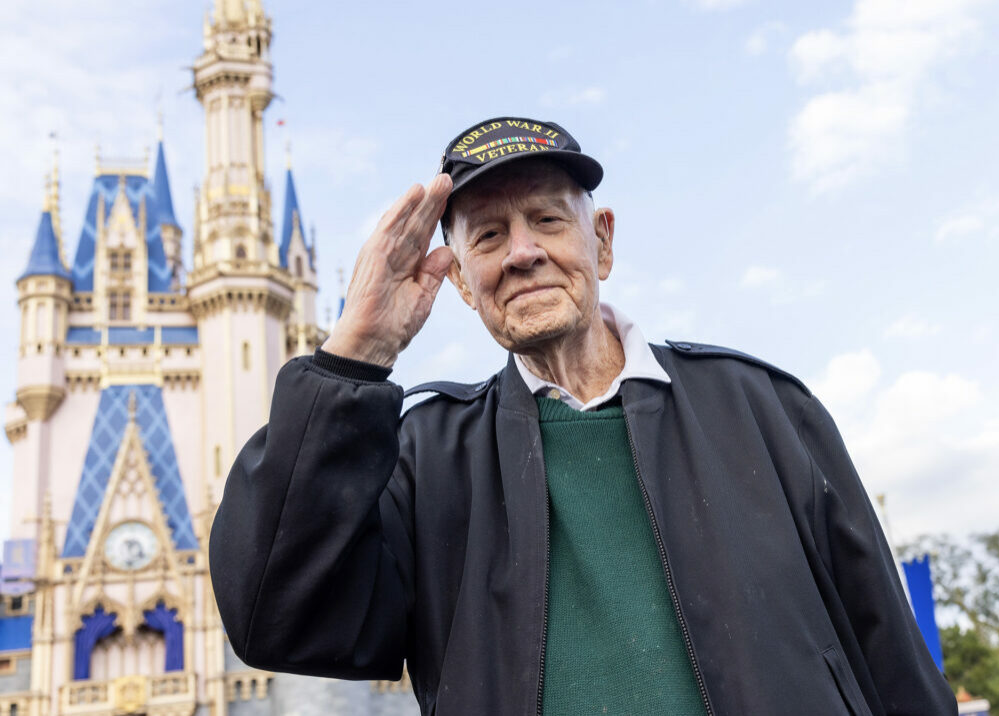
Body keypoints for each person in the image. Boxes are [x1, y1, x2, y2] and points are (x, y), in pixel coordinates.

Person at [210, 117, 956, 715]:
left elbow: (889, 651)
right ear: (464, 285)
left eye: (546, 219)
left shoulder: (761, 407)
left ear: (600, 241)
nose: (523, 252)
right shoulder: (425, 457)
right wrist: (354, 357)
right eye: (489, 235)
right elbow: (278, 616)